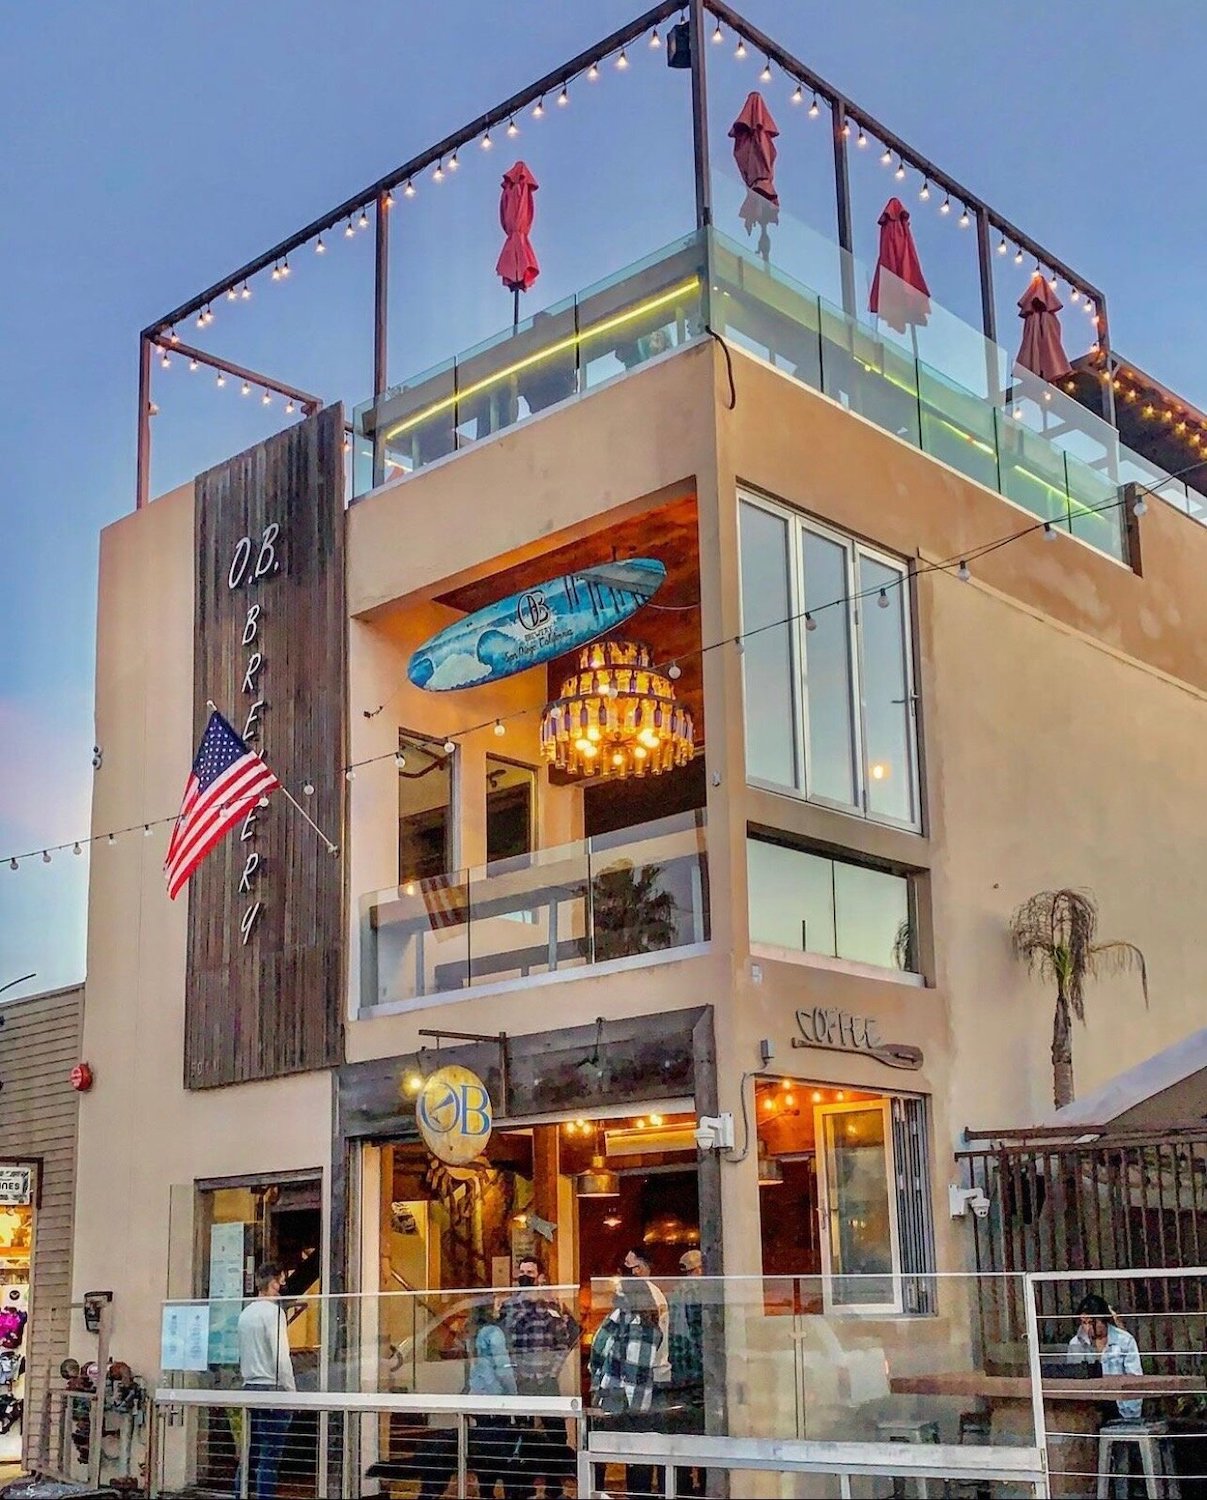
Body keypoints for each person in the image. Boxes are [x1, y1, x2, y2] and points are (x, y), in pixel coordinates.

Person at [499, 1255, 580, 1500]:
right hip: (521, 1379)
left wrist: (552, 1371)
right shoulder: (510, 1305)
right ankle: (524, 1488)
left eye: (530, 1272)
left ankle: (555, 1488)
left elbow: (567, 1338)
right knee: (522, 1433)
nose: (526, 1276)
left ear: (540, 1276)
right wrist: (515, 1372)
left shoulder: (553, 1304)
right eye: (522, 1272)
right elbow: (506, 1339)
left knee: (555, 1434)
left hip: (546, 1379)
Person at [590, 1277, 664, 1499]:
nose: (617, 1297)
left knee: (611, 1455)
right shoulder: (642, 1326)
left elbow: (599, 1350)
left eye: (621, 1293)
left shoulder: (622, 1322)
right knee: (630, 1458)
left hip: (622, 1396)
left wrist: (600, 1377)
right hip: (631, 1397)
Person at [236, 1263, 296, 1500]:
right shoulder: (274, 1312)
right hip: (272, 1387)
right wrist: (291, 1390)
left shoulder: (245, 1313)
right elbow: (281, 1354)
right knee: (271, 1455)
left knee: (249, 1453)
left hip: (249, 1386)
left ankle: (239, 1493)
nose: (283, 1286)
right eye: (281, 1280)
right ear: (273, 1282)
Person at [463, 1300, 526, 1500]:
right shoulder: (494, 1333)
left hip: (479, 1399)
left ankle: (486, 1493)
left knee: (485, 1457)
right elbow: (503, 1367)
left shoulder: (472, 1332)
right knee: (505, 1456)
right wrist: (515, 1396)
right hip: (498, 1401)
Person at [1067, 1293, 1143, 1422]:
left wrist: (1130, 1414)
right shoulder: (1076, 1343)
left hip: (1120, 1407)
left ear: (1103, 1319)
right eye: (1083, 1323)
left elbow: (1135, 1379)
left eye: (1091, 1323)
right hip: (1088, 1407)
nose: (1087, 1328)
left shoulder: (1125, 1340)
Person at [667, 1249, 706, 1498]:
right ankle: (702, 1485)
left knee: (680, 1433)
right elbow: (701, 1335)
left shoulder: (674, 1295)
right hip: (699, 1373)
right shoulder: (700, 1292)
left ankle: (680, 1488)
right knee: (703, 1433)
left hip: (679, 1373)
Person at [622, 1248, 671, 1388]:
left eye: (630, 1267)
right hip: (658, 1369)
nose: (630, 1272)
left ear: (640, 1268)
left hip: (646, 1373)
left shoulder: (643, 1294)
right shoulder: (655, 1293)